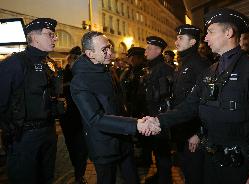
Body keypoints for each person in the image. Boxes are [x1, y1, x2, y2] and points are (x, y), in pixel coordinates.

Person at [142, 8, 249, 184]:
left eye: (210, 32)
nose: (205, 38)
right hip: (212, 159)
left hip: (243, 164)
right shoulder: (210, 71)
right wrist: (158, 121)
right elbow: (189, 107)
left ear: (228, 33)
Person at [69, 31, 160, 184]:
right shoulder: (80, 81)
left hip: (124, 141)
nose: (110, 52)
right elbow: (95, 119)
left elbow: (119, 105)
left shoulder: (107, 70)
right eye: (104, 49)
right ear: (90, 53)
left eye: (109, 47)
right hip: (103, 145)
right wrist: (135, 124)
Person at [0, 18, 60, 184]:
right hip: (24, 137)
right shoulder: (14, 63)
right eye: (50, 35)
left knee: (46, 178)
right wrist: (12, 131)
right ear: (34, 37)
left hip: (48, 133)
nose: (55, 38)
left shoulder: (49, 63)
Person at [171, 24, 209, 184]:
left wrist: (198, 132)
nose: (176, 42)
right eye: (177, 38)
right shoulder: (184, 63)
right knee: (187, 171)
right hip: (182, 128)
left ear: (192, 42)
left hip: (192, 134)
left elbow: (205, 101)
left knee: (195, 175)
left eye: (180, 38)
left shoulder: (199, 64)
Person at [142, 36, 174, 184]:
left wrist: (160, 119)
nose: (145, 51)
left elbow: (166, 97)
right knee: (158, 149)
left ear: (158, 50)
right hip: (153, 115)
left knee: (162, 151)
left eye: (149, 48)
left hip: (161, 117)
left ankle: (165, 179)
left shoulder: (164, 69)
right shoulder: (154, 67)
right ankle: (161, 174)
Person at [61, 46, 88, 184]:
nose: (74, 61)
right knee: (72, 146)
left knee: (81, 148)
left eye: (76, 59)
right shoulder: (63, 73)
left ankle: (79, 175)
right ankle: (78, 171)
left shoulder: (84, 73)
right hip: (68, 117)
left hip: (81, 117)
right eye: (73, 58)